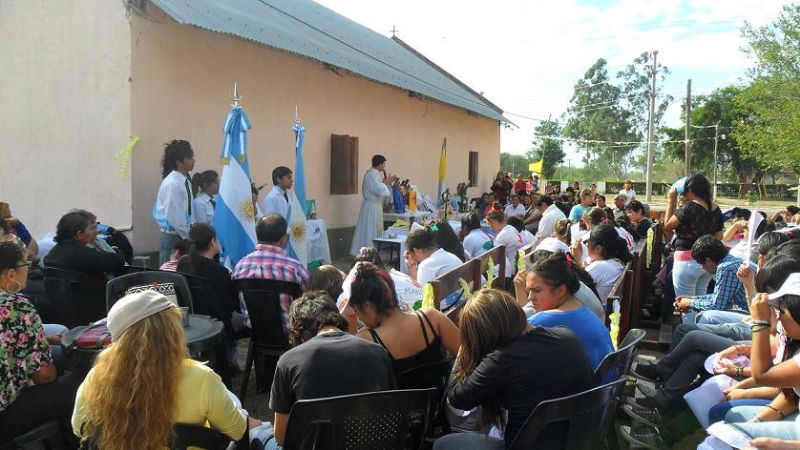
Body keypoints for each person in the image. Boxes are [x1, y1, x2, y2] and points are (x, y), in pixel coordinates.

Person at [72, 290, 258, 450]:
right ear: (173, 332)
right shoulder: (202, 379)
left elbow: (78, 427)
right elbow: (238, 431)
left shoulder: (98, 378)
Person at [432, 289, 593, 450]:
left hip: (526, 445)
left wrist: (463, 355)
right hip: (578, 441)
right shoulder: (567, 336)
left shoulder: (500, 360)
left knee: (443, 444)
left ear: (482, 334)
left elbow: (457, 399)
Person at [267, 291, 396, 450]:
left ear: (298, 332)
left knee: (259, 433)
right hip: (371, 445)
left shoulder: (288, 361)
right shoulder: (378, 352)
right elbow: (390, 414)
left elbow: (281, 436)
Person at [0, 241, 77, 443]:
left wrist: (45, 339)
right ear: (10, 274)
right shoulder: (16, 306)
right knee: (74, 382)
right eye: (25, 264)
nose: (28, 268)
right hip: (6, 415)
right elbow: (44, 375)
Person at [349, 263, 460, 378]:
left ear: (367, 305)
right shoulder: (431, 318)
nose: (359, 319)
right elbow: (467, 355)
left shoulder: (366, 339)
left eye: (356, 311)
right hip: (443, 388)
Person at [524, 253, 613, 369]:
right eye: (528, 291)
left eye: (536, 290)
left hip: (590, 380)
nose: (530, 297)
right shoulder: (584, 310)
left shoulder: (539, 322)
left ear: (561, 291)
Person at [232, 214, 310, 331]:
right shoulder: (296, 269)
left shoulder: (240, 267)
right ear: (283, 239)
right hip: (291, 336)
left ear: (257, 236)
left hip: (255, 334)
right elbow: (310, 301)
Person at [664, 173, 724, 299]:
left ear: (691, 190)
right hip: (707, 262)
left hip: (686, 261)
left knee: (685, 303)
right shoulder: (716, 209)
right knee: (700, 301)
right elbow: (719, 236)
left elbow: (668, 226)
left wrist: (671, 201)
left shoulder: (690, 207)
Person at [176, 224, 238, 345]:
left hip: (192, 325)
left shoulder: (183, 266)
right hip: (219, 330)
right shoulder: (220, 272)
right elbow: (231, 307)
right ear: (212, 242)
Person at [673, 235, 755, 321]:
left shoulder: (726, 268)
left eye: (701, 263)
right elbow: (719, 297)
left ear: (708, 260)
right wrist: (691, 299)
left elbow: (717, 306)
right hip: (750, 312)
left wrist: (689, 303)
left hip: (752, 316)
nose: (701, 267)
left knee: (706, 317)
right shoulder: (733, 261)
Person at [43, 210, 126, 282]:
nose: (97, 231)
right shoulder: (82, 254)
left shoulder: (51, 254)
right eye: (92, 228)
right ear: (79, 234)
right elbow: (118, 260)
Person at [153, 139, 196, 264]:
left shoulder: (185, 181)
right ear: (179, 162)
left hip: (183, 234)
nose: (193, 160)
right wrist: (189, 237)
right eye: (189, 158)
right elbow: (175, 218)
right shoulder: (172, 183)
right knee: (170, 271)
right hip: (174, 236)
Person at [350, 155, 398, 255]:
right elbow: (379, 190)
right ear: (379, 164)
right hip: (371, 206)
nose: (384, 167)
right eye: (384, 164)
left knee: (373, 228)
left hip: (375, 205)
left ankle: (373, 252)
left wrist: (384, 182)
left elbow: (378, 187)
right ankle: (368, 252)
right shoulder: (371, 175)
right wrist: (386, 182)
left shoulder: (374, 174)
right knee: (369, 228)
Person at [486, 211, 523, 287]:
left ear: (494, 222)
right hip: (518, 269)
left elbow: (495, 259)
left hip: (510, 274)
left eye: (489, 224)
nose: (490, 228)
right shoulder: (511, 228)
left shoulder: (502, 236)